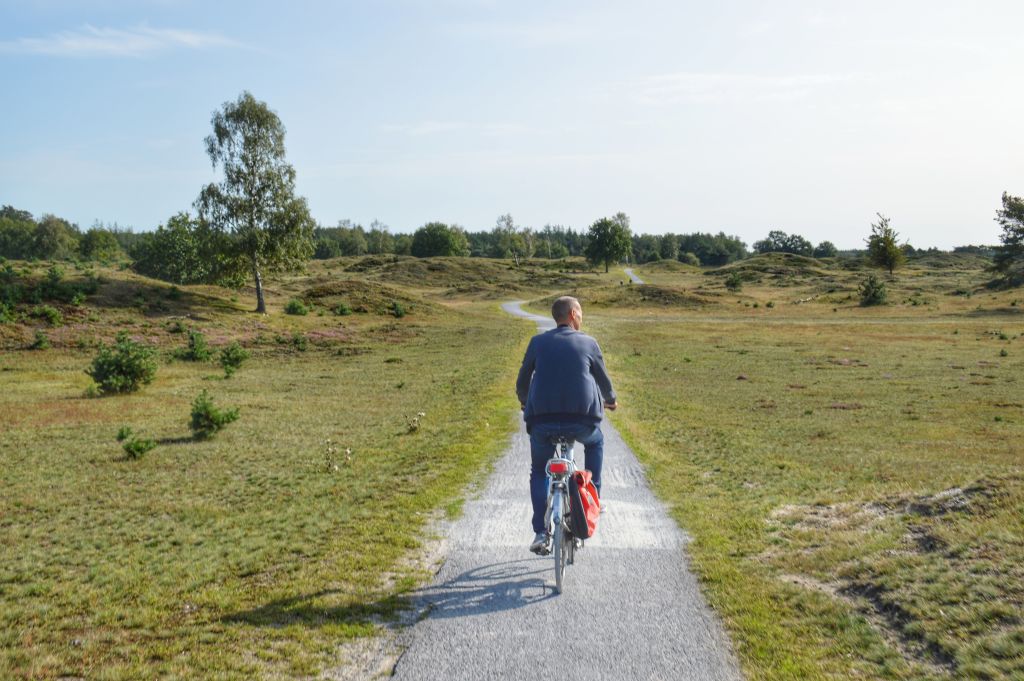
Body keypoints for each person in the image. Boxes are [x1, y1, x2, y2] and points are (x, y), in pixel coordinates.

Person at [516, 295, 617, 554]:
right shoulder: (589, 342)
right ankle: (593, 497)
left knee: (539, 470)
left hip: (542, 421)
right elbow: (603, 381)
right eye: (581, 312)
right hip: (582, 421)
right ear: (572, 314)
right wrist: (611, 400)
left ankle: (540, 531)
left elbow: (522, 380)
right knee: (595, 443)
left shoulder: (537, 342)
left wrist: (525, 402)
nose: (582, 317)